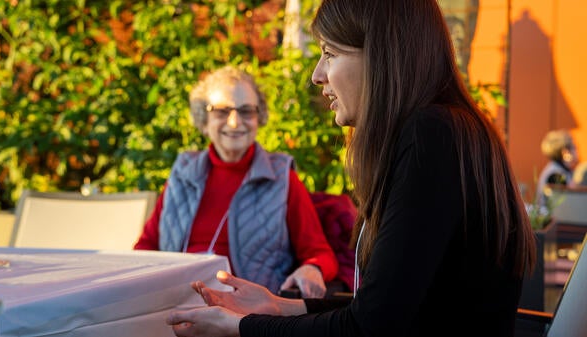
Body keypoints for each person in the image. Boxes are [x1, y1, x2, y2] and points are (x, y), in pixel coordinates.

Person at [165, 1, 537, 336]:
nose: (317, 75)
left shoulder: (432, 135)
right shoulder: (450, 130)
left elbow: (366, 329)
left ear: (381, 56)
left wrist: (242, 328)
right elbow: (382, 308)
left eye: (329, 53)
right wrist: (280, 306)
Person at [134, 65, 338, 298]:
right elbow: (144, 249)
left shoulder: (281, 177)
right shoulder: (182, 173)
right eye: (221, 111)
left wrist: (313, 269)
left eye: (246, 111)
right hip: (175, 303)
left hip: (245, 315)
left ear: (258, 117)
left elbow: (320, 254)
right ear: (204, 118)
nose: (234, 122)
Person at [536, 129, 579, 207]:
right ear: (565, 152)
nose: (577, 151)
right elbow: (562, 208)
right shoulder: (555, 174)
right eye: (574, 147)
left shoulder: (563, 171)